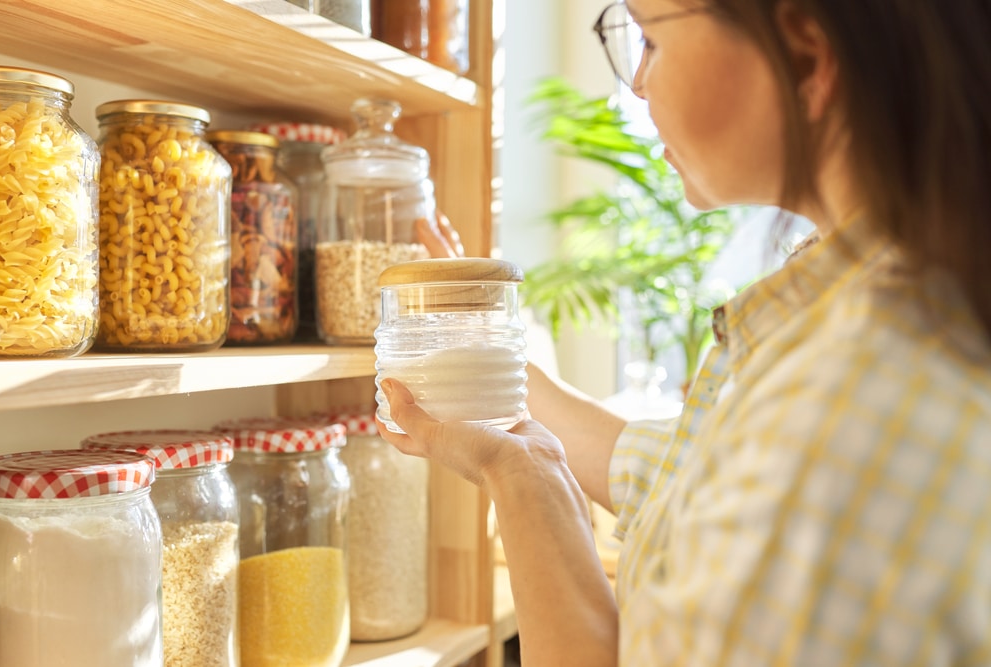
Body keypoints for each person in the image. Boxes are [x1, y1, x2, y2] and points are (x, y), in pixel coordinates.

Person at [385, 0, 991, 664]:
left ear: (806, 59)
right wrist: (489, 357)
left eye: (649, 38)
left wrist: (520, 474)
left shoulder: (852, 397)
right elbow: (676, 472)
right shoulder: (873, 305)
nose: (637, 80)